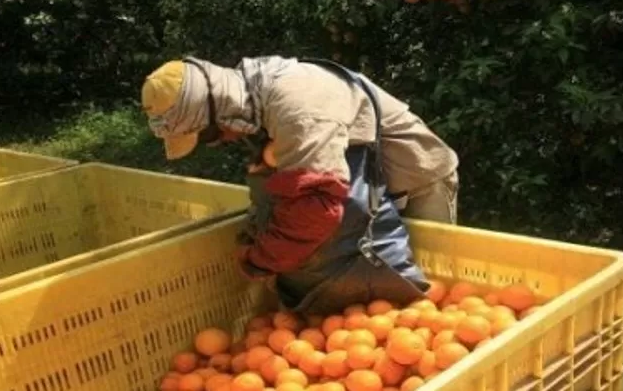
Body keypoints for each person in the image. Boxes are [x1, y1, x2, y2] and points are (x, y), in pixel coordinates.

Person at [139, 54, 460, 311]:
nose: (220, 141)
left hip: (417, 180)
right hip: (373, 190)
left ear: (215, 108)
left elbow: (316, 207)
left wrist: (260, 260)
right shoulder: (253, 96)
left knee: (430, 301)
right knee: (392, 307)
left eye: (209, 135)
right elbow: (285, 191)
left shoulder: (297, 107)